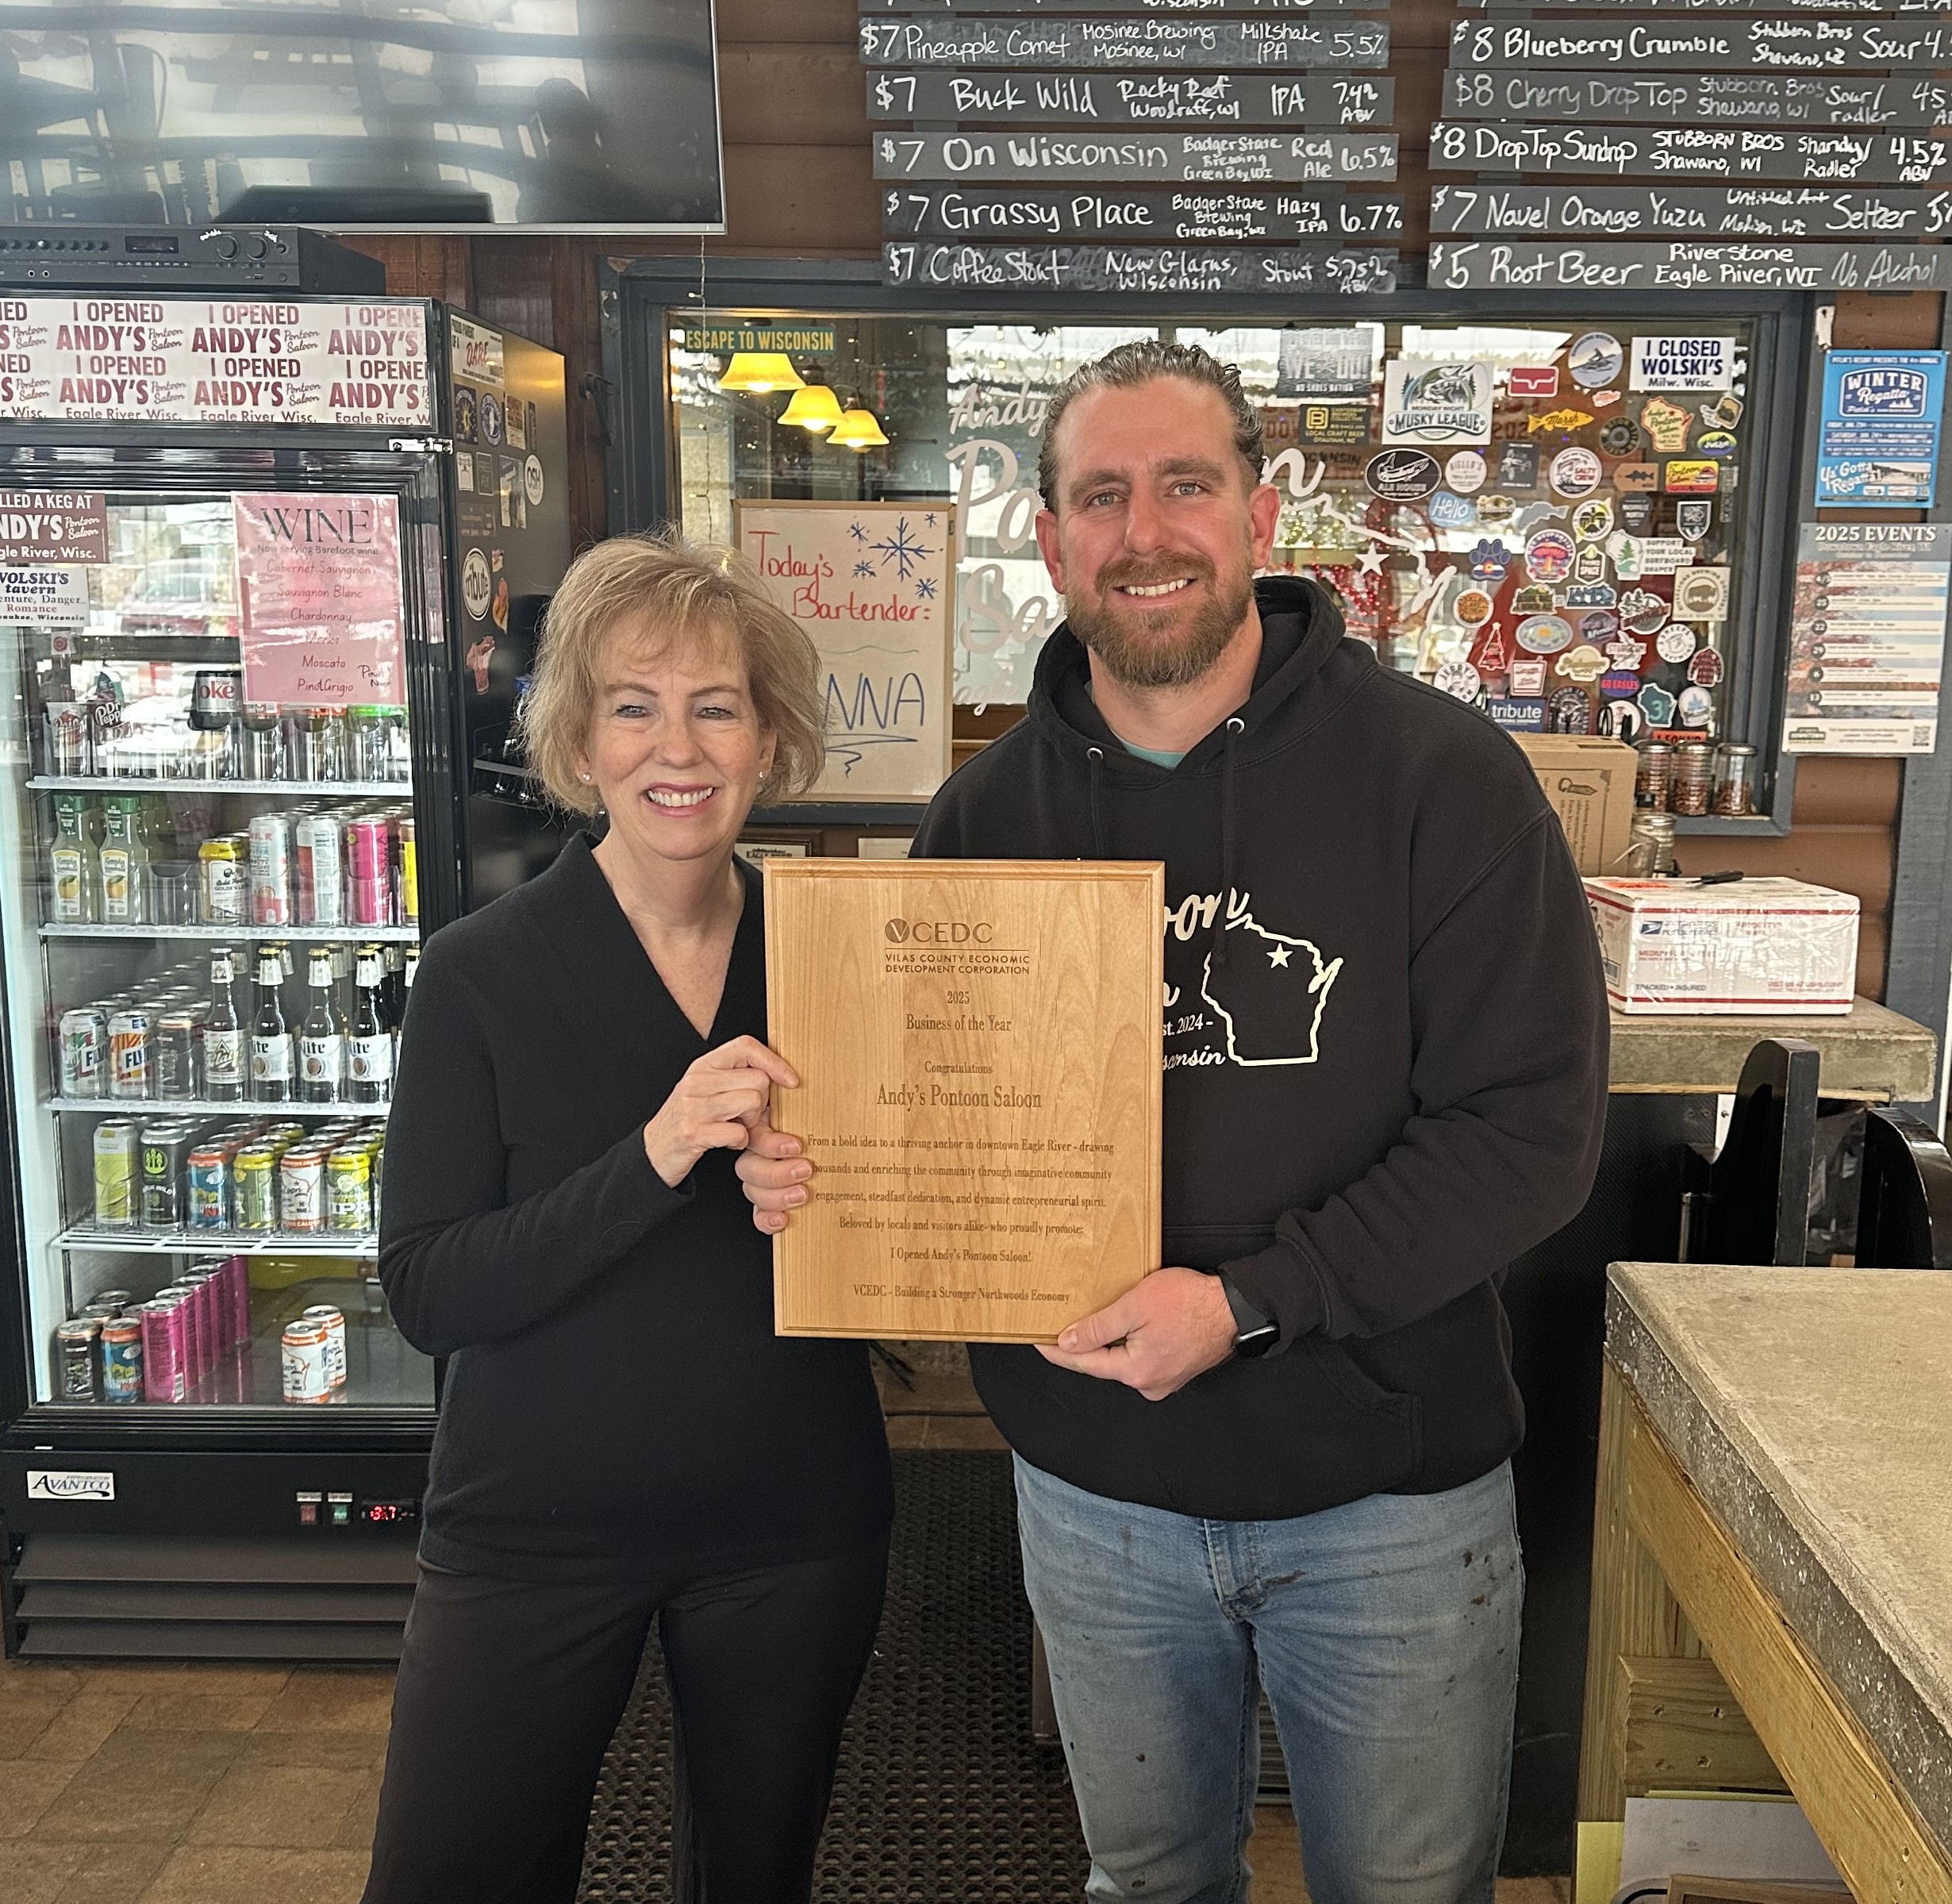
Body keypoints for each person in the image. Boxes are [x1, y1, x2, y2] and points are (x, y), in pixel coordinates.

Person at [739, 341, 1608, 1902]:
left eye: (1186, 485)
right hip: (1098, 1496)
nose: (1147, 532)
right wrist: (832, 1172)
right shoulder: (984, 819)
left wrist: (1250, 1303)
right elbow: (920, 1113)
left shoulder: (1443, 783)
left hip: (1388, 1500)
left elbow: (1527, 1133)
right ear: (1055, 541)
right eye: (1102, 495)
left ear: (1263, 519)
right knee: (1146, 1884)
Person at [363, 533, 893, 1904]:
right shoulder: (480, 976)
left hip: (793, 1519)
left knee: (756, 1878)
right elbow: (429, 1288)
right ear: (578, 741)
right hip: (531, 1530)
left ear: (769, 739)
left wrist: (847, 1194)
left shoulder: (835, 957)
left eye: (718, 706)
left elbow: (906, 1225)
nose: (681, 746)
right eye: (633, 705)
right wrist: (655, 1156)